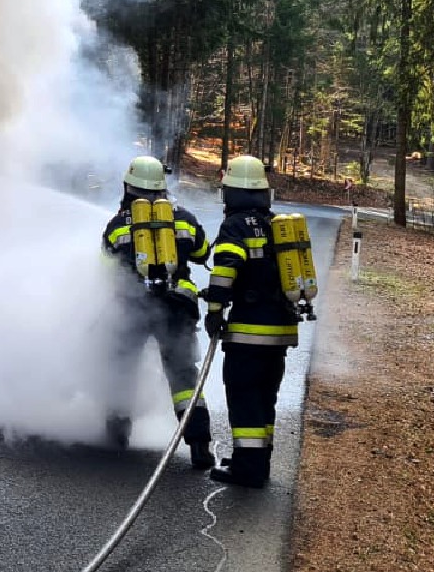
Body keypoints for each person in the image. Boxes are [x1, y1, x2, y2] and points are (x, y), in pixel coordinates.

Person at [101, 156, 216, 471]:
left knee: (122, 368)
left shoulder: (117, 225)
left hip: (132, 308)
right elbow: (203, 252)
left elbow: (106, 268)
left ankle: (116, 438)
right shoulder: (184, 219)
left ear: (129, 187)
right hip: (177, 307)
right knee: (183, 376)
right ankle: (199, 445)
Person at [202, 155, 301, 489]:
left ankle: (248, 470)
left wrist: (215, 309)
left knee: (244, 398)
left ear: (232, 192)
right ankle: (257, 462)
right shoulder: (277, 225)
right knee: (264, 398)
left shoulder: (235, 226)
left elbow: (226, 268)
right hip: (280, 332)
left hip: (249, 333)